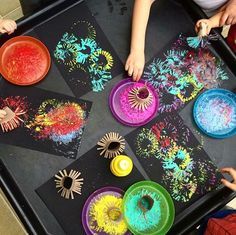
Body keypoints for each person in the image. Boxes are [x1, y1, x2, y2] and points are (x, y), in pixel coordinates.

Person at [125, 0, 236, 81]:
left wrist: (211, 23)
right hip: (180, 11)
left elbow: (230, 14)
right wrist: (137, 50)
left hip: (211, 19)